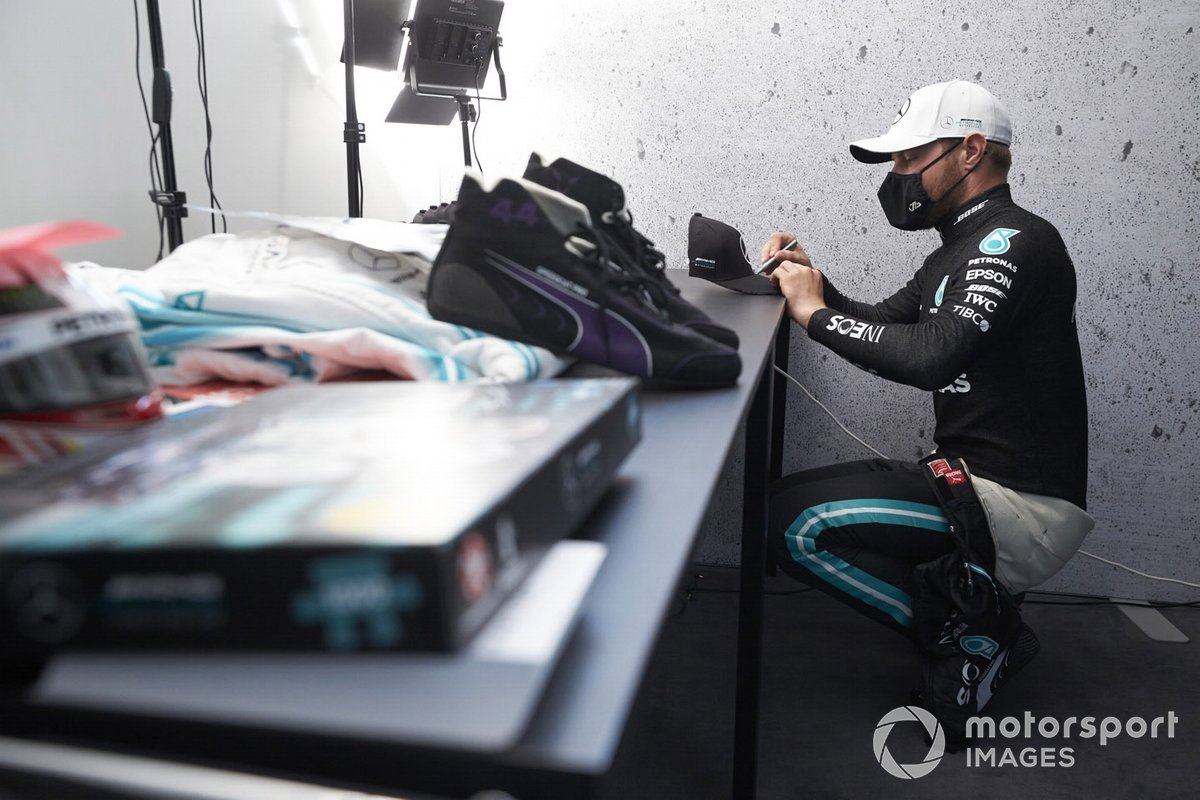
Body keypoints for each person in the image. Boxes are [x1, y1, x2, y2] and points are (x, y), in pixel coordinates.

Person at [761, 80, 1093, 738]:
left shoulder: (1017, 243)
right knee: (782, 503)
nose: (896, 175)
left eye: (909, 157)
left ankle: (978, 636)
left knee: (792, 526)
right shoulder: (954, 252)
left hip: (1019, 506)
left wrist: (815, 314)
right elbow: (882, 324)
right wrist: (810, 282)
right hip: (969, 486)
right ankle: (978, 610)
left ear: (970, 151)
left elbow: (930, 358)